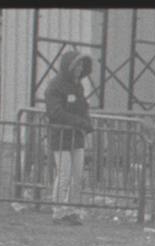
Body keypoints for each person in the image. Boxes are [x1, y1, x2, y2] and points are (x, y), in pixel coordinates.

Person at [44, 50, 95, 226]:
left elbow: (83, 107)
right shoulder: (55, 86)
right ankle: (58, 210)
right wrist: (79, 122)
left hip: (76, 136)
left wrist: (86, 122)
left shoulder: (78, 86)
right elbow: (55, 111)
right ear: (69, 67)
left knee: (77, 175)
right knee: (64, 174)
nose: (80, 69)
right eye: (77, 65)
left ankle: (72, 209)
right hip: (61, 136)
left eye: (82, 65)